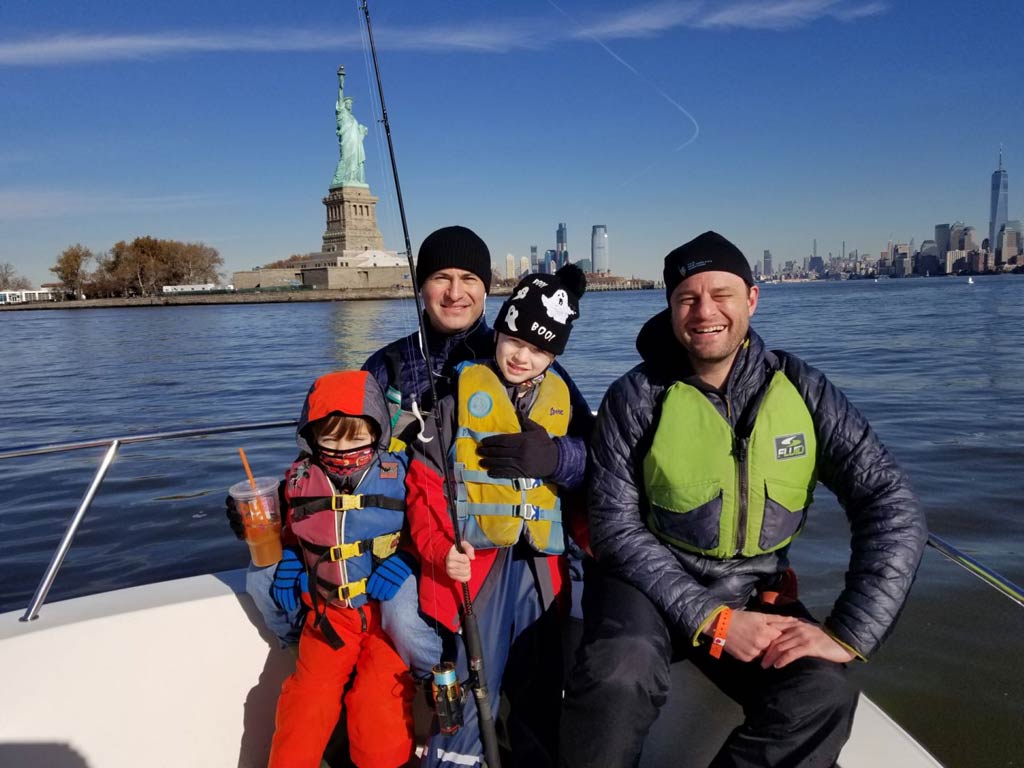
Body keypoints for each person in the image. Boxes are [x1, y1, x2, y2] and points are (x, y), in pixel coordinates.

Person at [560, 231, 927, 767]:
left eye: (722, 294)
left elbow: (890, 501)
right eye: (687, 298)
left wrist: (849, 632)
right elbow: (615, 529)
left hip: (754, 589)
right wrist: (713, 620)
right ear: (670, 308)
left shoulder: (802, 389)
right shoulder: (635, 397)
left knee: (824, 693)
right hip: (647, 587)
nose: (704, 311)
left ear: (751, 299)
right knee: (620, 672)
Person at [406, 264, 592, 768]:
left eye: (538, 350)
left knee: (539, 684)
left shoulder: (567, 406)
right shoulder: (450, 404)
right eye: (514, 340)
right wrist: (441, 549)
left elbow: (595, 468)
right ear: (500, 330)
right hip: (476, 565)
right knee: (470, 686)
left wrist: (556, 456)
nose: (522, 356)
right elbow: (423, 487)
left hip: (541, 568)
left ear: (553, 356)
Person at [267, 370, 415, 768]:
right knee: (305, 701)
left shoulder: (402, 473)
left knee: (377, 706)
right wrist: (290, 560)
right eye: (329, 438)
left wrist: (407, 559)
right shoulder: (298, 480)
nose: (342, 448)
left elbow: (429, 528)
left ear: (377, 431)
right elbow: (296, 532)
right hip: (329, 617)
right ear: (311, 437)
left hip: (387, 620)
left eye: (355, 437)